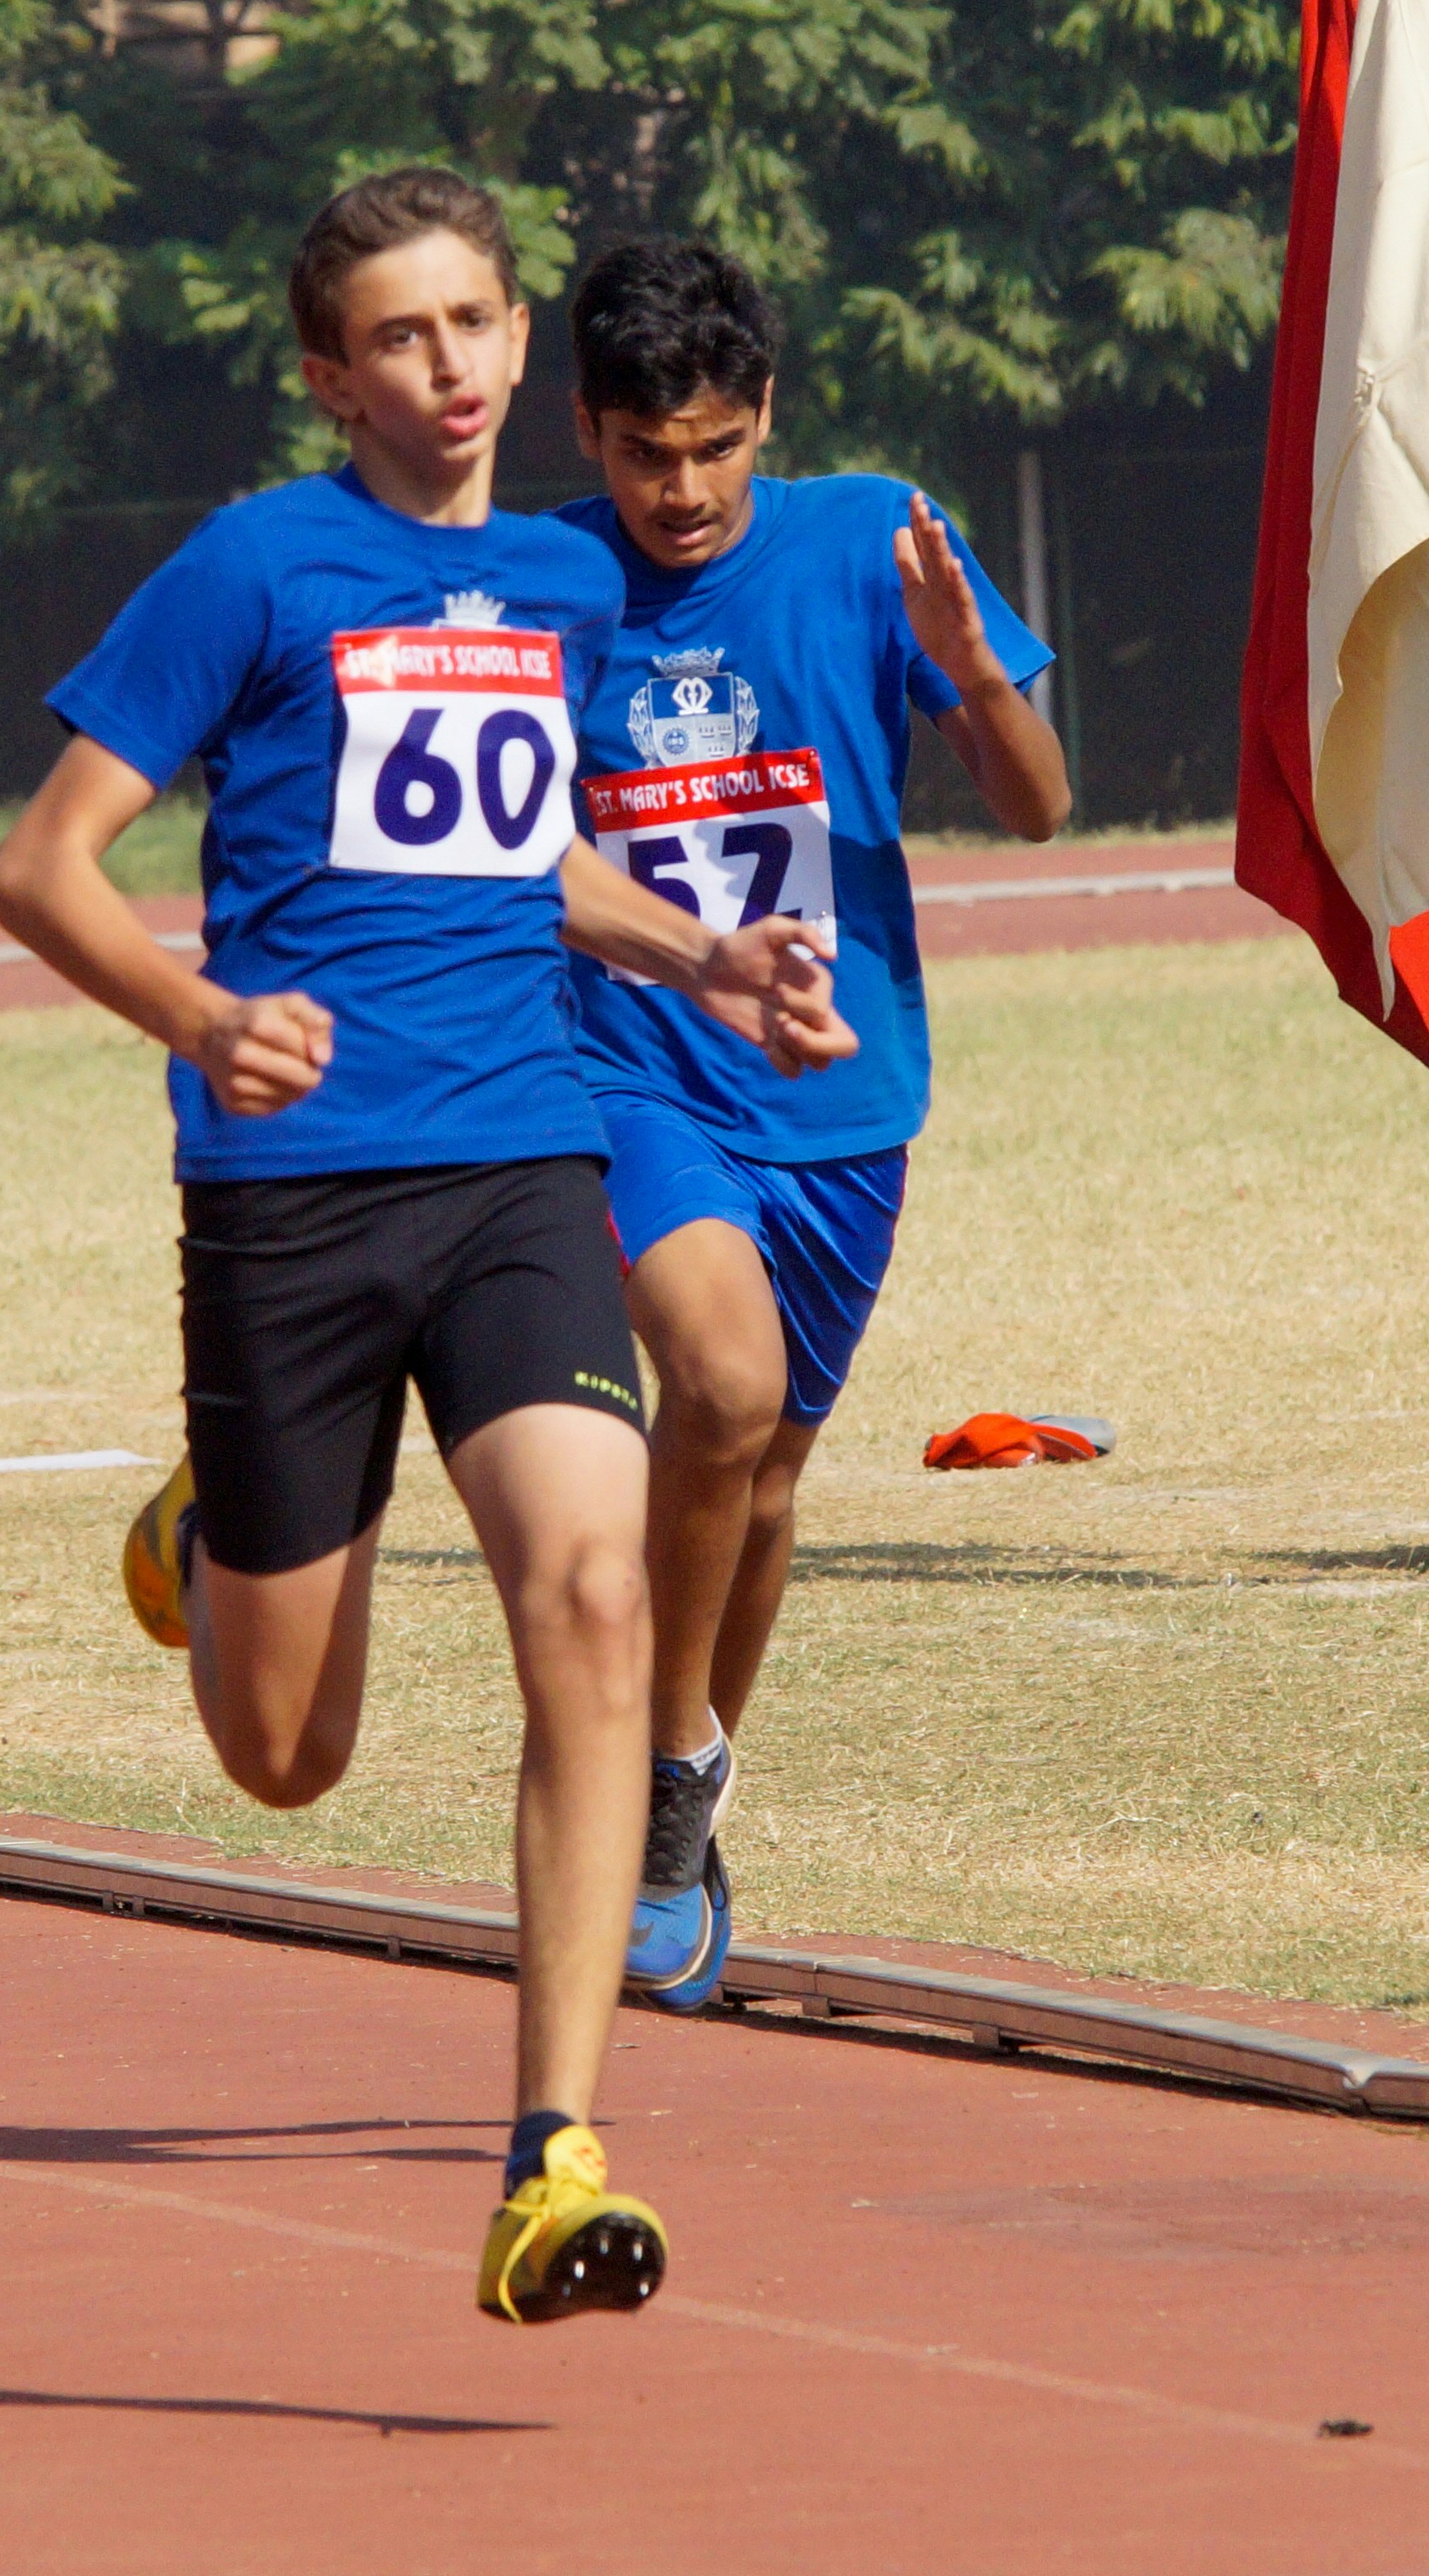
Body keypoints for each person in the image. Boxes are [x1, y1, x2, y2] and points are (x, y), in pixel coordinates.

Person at [0, 169, 856, 2319]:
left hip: (513, 1164)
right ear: (330, 374)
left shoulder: (565, 581)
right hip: (291, 1192)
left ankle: (548, 2152)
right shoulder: (257, 565)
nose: (451, 366)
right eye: (403, 334)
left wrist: (705, 958)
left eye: (475, 323)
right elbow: (42, 864)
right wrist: (196, 1014)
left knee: (583, 1583)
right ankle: (223, 1527)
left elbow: (525, 846)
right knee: (288, 1752)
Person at [551, 239, 1067, 2013]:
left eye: (710, 446)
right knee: (720, 1384)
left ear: (763, 410)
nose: (678, 491)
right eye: (640, 453)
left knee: (764, 1480)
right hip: (623, 1075)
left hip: (844, 1094)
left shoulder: (873, 539)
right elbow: (495, 845)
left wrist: (968, 668)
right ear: (587, 433)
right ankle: (658, 1784)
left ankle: (679, 1786)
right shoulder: (541, 584)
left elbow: (1040, 806)